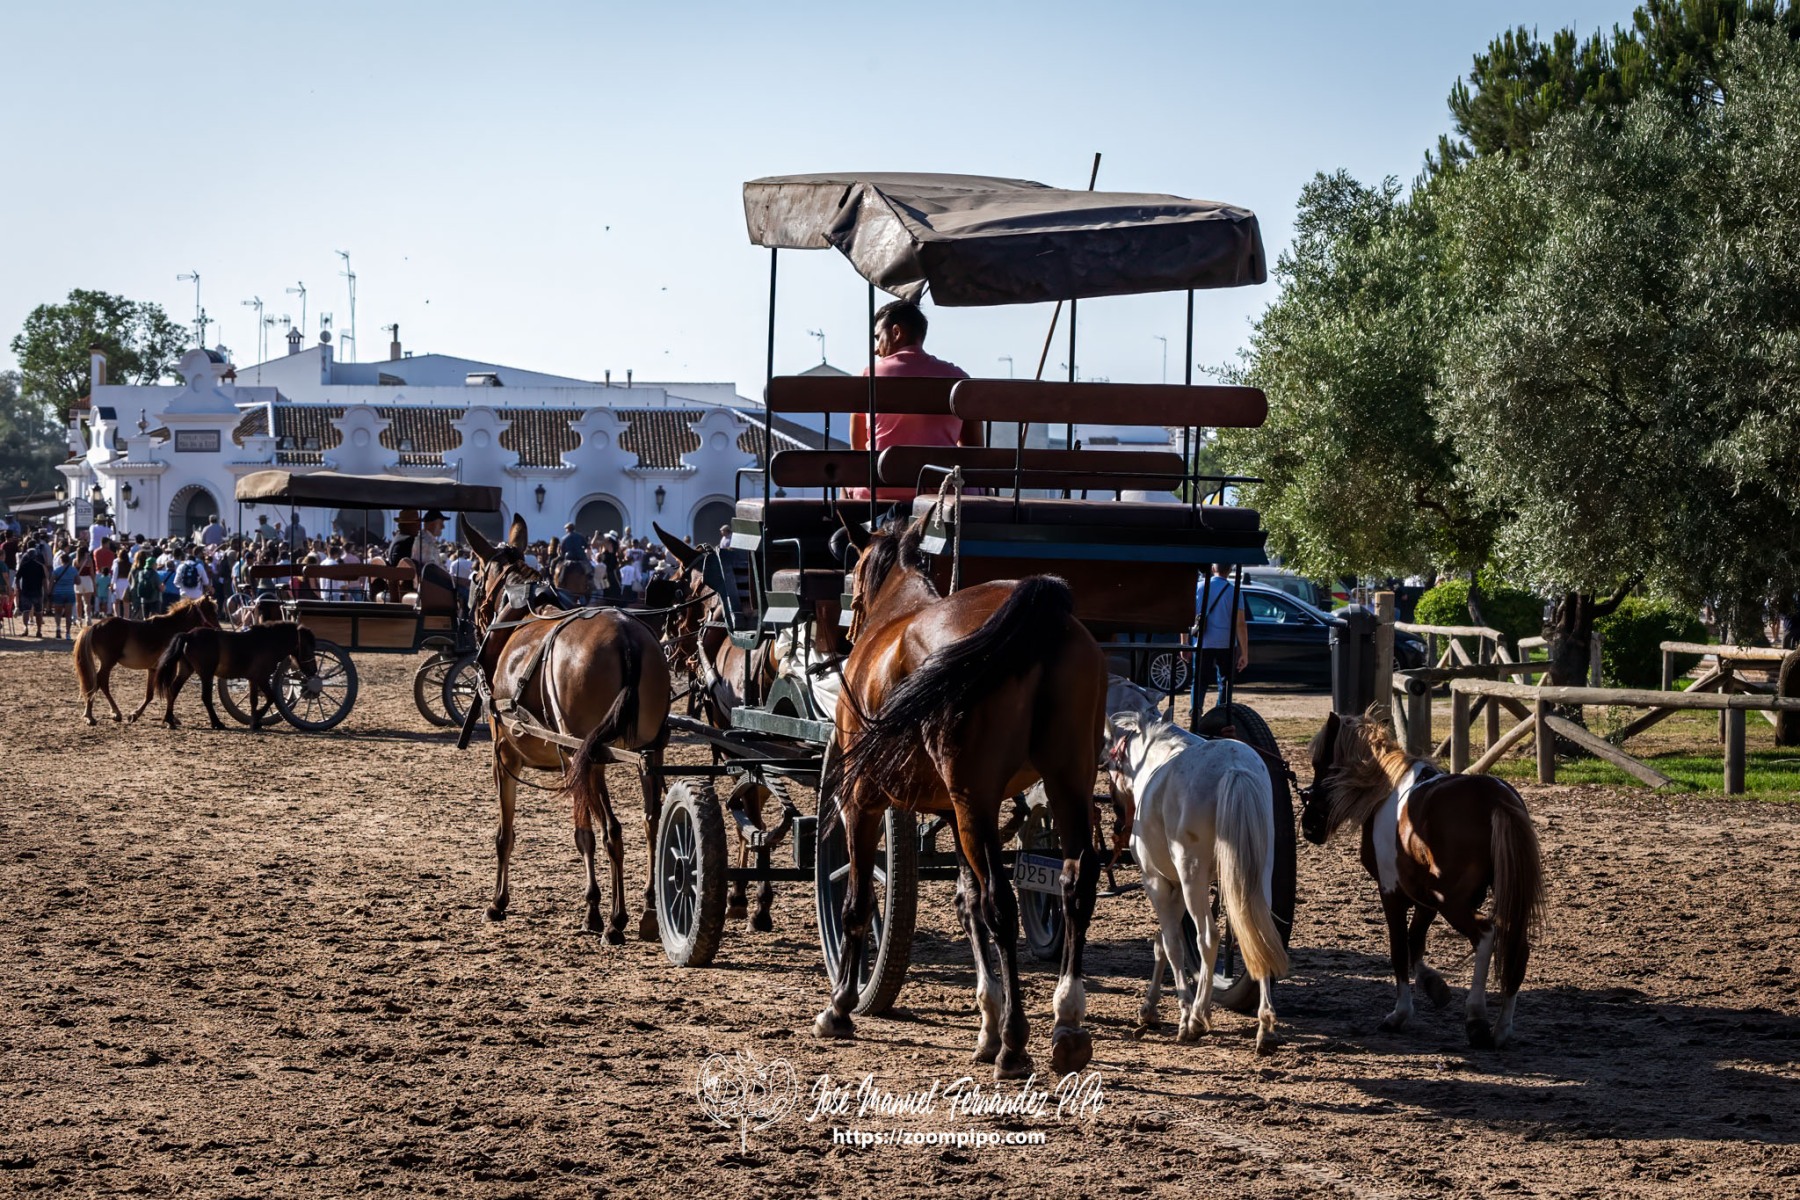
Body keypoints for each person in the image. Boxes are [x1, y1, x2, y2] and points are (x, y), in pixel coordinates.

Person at [846, 300, 983, 501]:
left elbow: (857, 453)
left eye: (878, 338)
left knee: (849, 481)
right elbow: (973, 451)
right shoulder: (958, 378)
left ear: (896, 332)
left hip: (879, 491)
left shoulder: (869, 376)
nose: (876, 349)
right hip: (941, 493)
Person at [1190, 563, 1249, 711]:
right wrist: (1244, 653)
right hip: (1226, 643)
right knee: (1225, 682)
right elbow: (1240, 624)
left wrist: (1185, 644)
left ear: (1212, 568)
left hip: (1202, 642)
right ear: (1230, 570)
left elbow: (1188, 618)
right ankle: (1221, 712)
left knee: (1199, 681)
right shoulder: (1234, 591)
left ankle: (1196, 711)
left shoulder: (1198, 588)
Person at [15, 544, 47, 636]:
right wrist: (46, 591)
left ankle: (25, 628)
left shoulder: (24, 566)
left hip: (26, 591)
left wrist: (18, 588)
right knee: (39, 612)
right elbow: (44, 580)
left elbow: (17, 578)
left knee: (26, 611)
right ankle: (39, 630)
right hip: (37, 591)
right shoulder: (40, 566)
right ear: (35, 555)